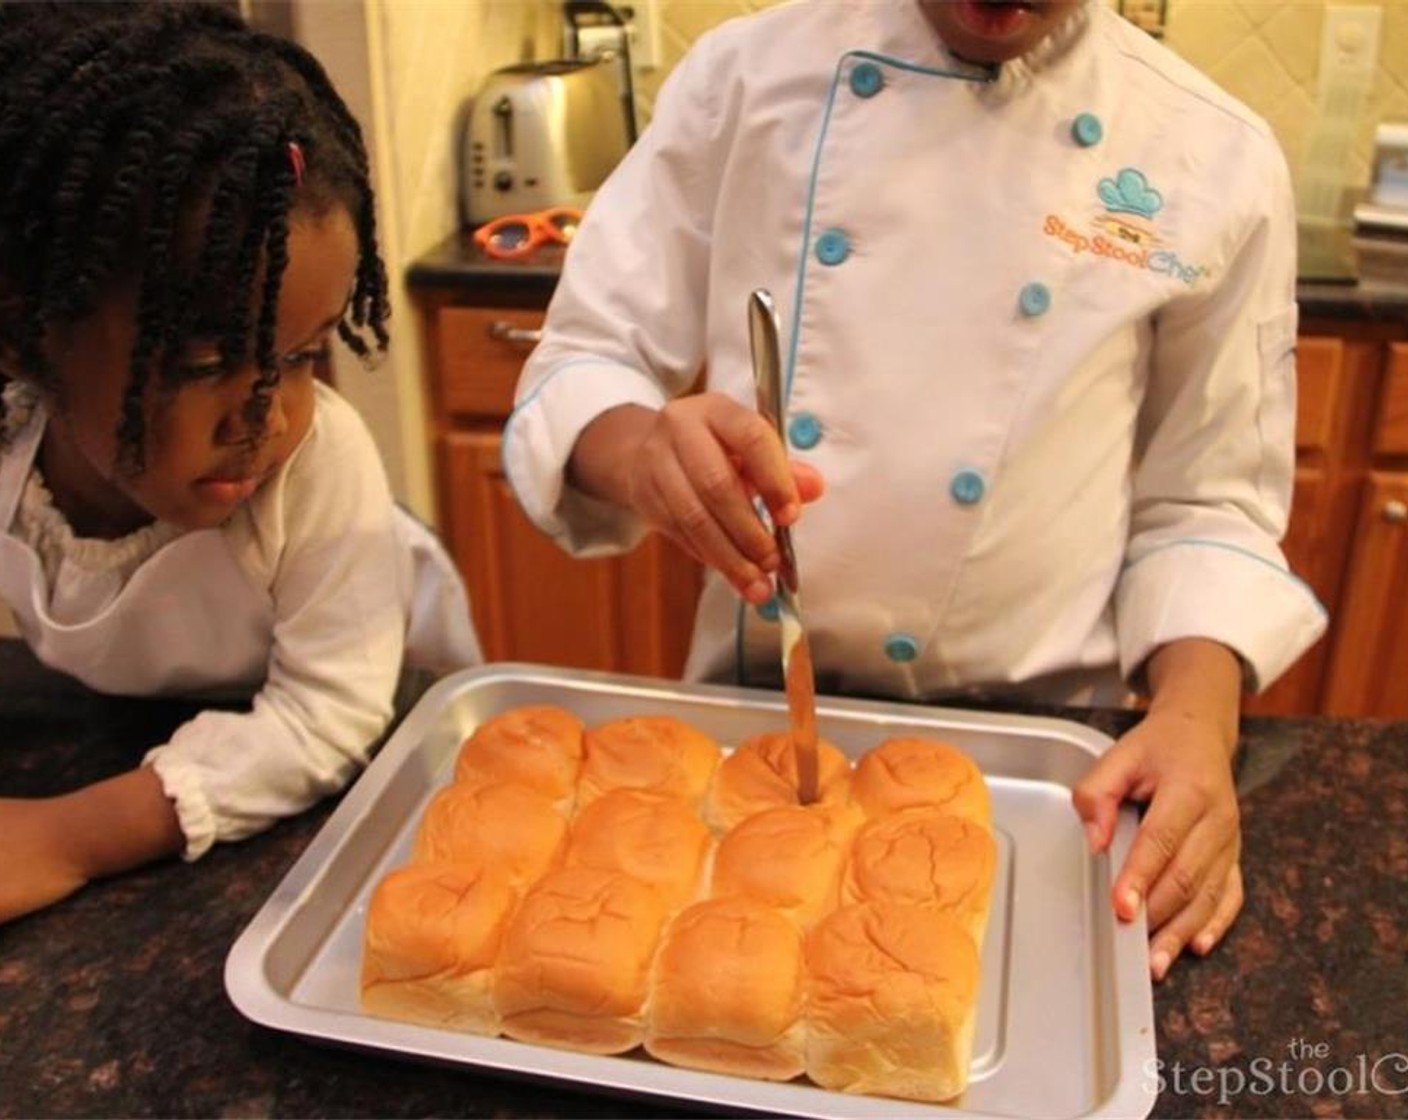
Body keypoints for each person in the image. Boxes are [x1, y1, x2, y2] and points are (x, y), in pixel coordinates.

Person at [503, 0, 1328, 978]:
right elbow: (586, 357)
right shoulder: (744, 79)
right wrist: (640, 448)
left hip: (1045, 764)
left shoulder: (1209, 156)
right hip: (761, 729)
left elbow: (1208, 499)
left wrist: (1195, 721)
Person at [0, 1, 482, 924]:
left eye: (302, 356)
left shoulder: (321, 463)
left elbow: (322, 722)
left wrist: (70, 835)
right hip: (151, 724)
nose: (268, 417)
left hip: (377, 741)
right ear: (26, 336)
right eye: (206, 364)